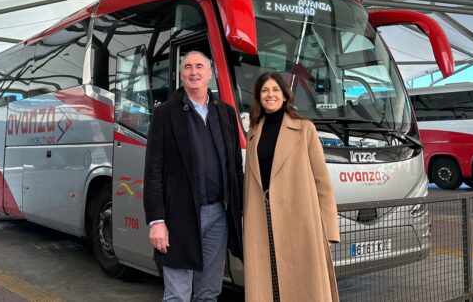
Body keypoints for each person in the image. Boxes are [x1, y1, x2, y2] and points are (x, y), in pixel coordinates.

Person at [143, 51, 244, 302]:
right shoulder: (165, 114)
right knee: (177, 294)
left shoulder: (227, 113)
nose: (194, 72)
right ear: (181, 74)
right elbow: (153, 171)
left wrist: (240, 213)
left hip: (219, 215)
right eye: (187, 67)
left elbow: (235, 169)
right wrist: (157, 221)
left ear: (210, 73)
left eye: (200, 66)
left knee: (209, 293)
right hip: (180, 216)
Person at [243, 72, 339, 302]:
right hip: (261, 218)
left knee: (302, 286)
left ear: (285, 96)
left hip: (300, 220)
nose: (270, 95)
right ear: (258, 97)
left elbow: (322, 182)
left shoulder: (305, 129)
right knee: (269, 285)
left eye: (276, 89)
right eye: (265, 90)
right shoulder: (253, 132)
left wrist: (329, 229)